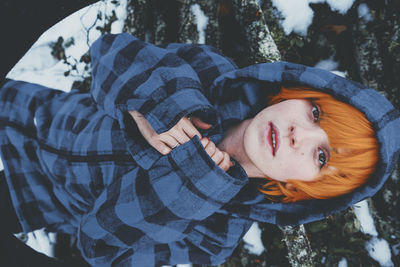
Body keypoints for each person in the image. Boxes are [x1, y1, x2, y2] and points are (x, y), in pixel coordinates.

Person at [1, 5, 400, 267]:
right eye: (315, 112)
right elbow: (108, 52)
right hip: (30, 114)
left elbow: (100, 248)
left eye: (321, 157)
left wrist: (189, 188)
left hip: (34, 197)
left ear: (304, 192)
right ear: (296, 91)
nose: (301, 134)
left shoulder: (213, 236)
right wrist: (154, 105)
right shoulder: (208, 75)